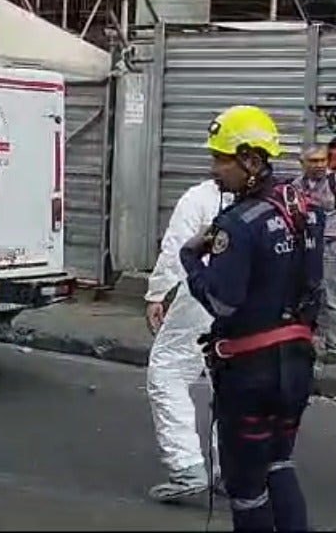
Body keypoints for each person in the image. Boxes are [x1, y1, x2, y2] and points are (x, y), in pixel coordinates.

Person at [181, 105, 325, 532]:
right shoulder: (310, 208)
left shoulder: (238, 223)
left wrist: (192, 259)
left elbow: (223, 303)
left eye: (220, 159)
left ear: (251, 159)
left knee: (246, 486)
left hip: (250, 372)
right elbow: (314, 285)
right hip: (296, 363)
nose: (213, 171)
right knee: (279, 461)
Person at [145, 177, 230, 502]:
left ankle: (186, 466)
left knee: (167, 372)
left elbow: (177, 249)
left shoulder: (200, 198)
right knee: (230, 382)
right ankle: (233, 467)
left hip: (202, 296)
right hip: (254, 304)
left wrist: (157, 294)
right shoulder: (275, 201)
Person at [294, 144, 336, 365]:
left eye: (323, 160)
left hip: (332, 244)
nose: (320, 165)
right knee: (307, 295)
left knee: (332, 296)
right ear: (302, 162)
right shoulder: (297, 185)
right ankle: (308, 342)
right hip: (307, 246)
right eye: (313, 161)